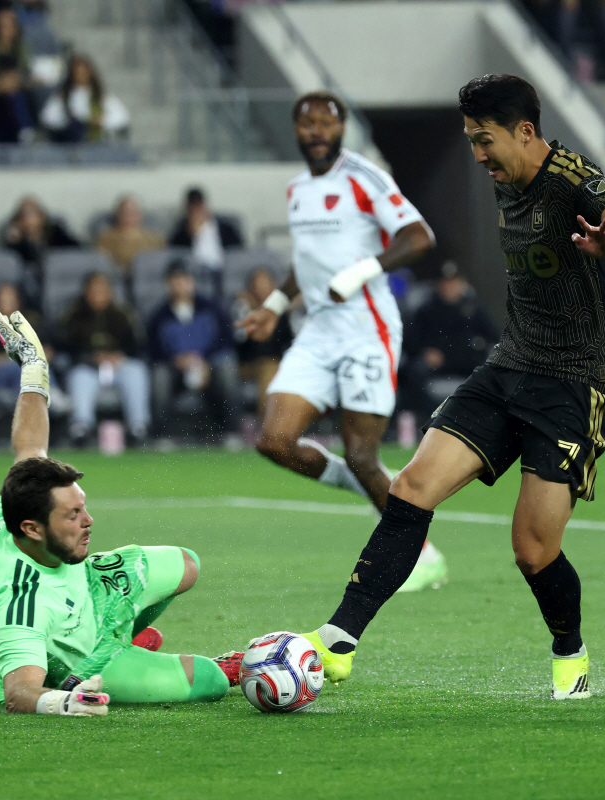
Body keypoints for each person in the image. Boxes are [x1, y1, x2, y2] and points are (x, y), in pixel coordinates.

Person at [299, 75, 605, 700]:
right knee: (410, 487)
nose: (478, 156)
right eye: (469, 142)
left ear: (525, 132)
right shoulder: (505, 179)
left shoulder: (571, 176)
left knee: (533, 550)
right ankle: (339, 639)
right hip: (508, 366)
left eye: (485, 141)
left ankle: (570, 652)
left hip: (572, 385)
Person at [0, 310, 237, 715]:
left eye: (83, 507)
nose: (89, 520)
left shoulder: (19, 501)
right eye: (72, 515)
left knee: (188, 565)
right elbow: (17, 693)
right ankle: (112, 655)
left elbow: (29, 445)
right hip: (84, 661)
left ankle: (125, 634)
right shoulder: (19, 606)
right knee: (211, 680)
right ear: (33, 528)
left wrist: (34, 366)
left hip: (91, 588)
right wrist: (66, 701)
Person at [235, 90, 446, 592]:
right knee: (274, 441)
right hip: (318, 332)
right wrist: (274, 307)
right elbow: (306, 262)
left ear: (341, 128)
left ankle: (424, 555)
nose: (316, 131)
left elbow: (419, 237)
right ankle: (365, 481)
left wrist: (358, 276)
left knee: (360, 452)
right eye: (306, 123)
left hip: (366, 331)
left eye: (326, 123)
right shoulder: (297, 190)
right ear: (295, 130)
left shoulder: (363, 176)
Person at [145, 261, 238, 437]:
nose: (180, 285)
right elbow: (153, 350)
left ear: (192, 282)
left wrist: (203, 360)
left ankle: (232, 432)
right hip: (175, 370)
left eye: (184, 280)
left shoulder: (211, 308)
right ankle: (162, 436)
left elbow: (225, 340)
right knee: (159, 376)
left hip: (208, 366)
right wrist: (176, 360)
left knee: (227, 368)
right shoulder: (159, 316)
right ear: (168, 284)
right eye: (175, 280)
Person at [400, 261, 499, 424]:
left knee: (492, 373)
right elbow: (409, 342)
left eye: (453, 283)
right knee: (414, 372)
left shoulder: (474, 309)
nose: (449, 287)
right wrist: (424, 352)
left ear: (463, 284)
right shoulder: (426, 309)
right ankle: (428, 420)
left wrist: (475, 350)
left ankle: (483, 422)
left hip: (467, 363)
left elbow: (494, 338)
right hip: (437, 364)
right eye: (445, 283)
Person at [60, 271, 151, 446]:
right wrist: (91, 357)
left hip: (119, 366)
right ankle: (81, 427)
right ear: (86, 292)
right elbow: (65, 345)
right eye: (93, 291)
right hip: (89, 367)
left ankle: (138, 426)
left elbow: (137, 345)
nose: (98, 295)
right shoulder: (74, 315)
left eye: (102, 290)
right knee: (79, 377)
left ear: (110, 292)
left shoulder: (123, 314)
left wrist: (119, 356)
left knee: (136, 371)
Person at [231, 268, 293, 419]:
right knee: (268, 368)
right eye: (257, 285)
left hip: (277, 363)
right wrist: (252, 310)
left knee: (271, 368)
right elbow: (242, 341)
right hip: (246, 364)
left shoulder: (281, 311)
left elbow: (287, 340)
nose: (261, 289)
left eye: (265, 284)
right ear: (250, 289)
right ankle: (267, 424)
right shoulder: (242, 309)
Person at [2, 195, 79, 310]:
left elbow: (77, 248)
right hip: (29, 282)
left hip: (57, 276)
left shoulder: (55, 232)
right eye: (25, 216)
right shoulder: (16, 242)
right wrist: (16, 242)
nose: (30, 220)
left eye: (33, 214)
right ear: (18, 221)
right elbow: (9, 262)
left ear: (42, 216)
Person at [40, 54, 129, 143]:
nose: (80, 76)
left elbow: (122, 117)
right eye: (77, 72)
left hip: (97, 140)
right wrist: (67, 121)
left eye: (83, 72)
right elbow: (48, 118)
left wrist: (102, 121)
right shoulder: (63, 96)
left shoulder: (101, 96)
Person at [167, 187, 244, 273]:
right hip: (194, 270)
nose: (197, 212)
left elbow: (239, 246)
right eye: (193, 209)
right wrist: (190, 233)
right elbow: (173, 249)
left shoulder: (224, 226)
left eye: (199, 207)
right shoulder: (182, 227)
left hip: (223, 267)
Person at [95, 195, 164, 277]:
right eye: (124, 213)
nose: (128, 217)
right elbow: (100, 261)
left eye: (133, 213)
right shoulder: (105, 237)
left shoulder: (153, 238)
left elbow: (159, 260)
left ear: (140, 215)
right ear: (118, 214)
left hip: (145, 276)